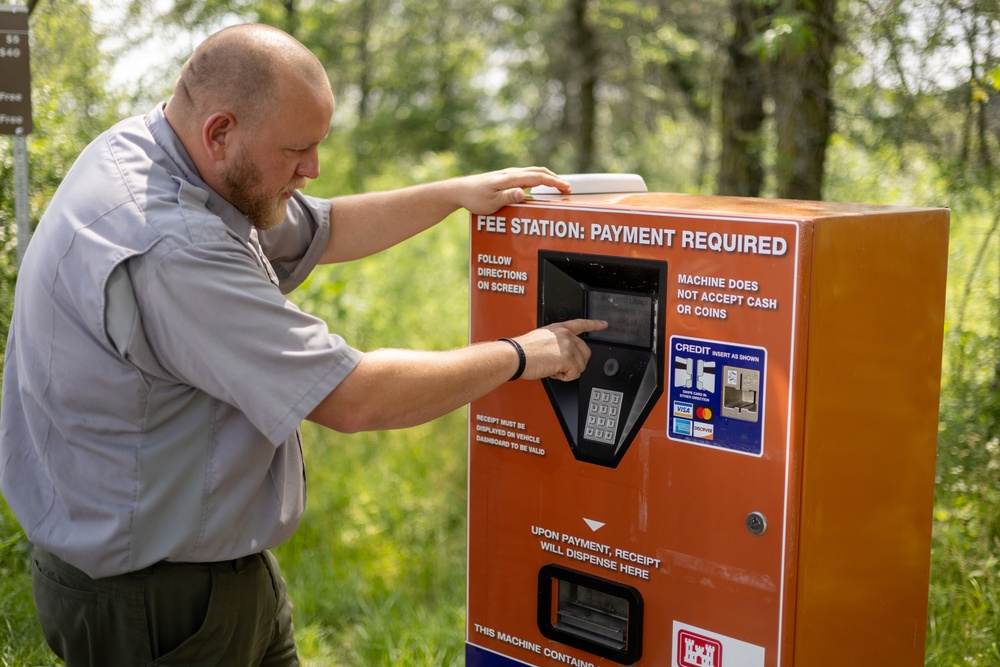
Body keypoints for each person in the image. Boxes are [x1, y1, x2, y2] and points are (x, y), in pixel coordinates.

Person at [0, 23, 604, 667]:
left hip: (208, 567)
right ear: (220, 131)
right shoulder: (170, 243)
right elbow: (354, 399)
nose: (311, 170)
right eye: (298, 150)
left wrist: (455, 194)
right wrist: (527, 353)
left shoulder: (155, 151)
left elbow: (322, 226)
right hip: (157, 603)